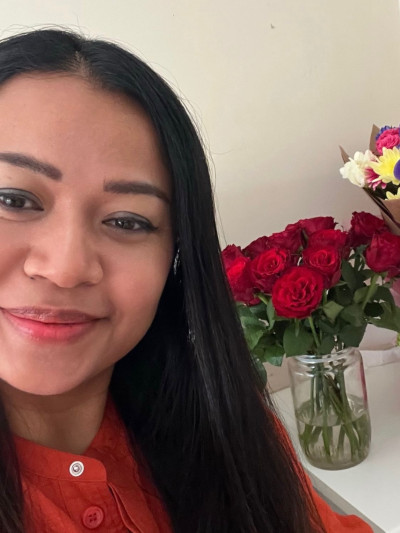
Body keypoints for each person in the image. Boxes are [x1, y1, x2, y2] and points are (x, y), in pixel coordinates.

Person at [0, 28, 371, 533]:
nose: (65, 268)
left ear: (175, 257)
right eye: (14, 200)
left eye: (127, 220)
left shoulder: (220, 428)